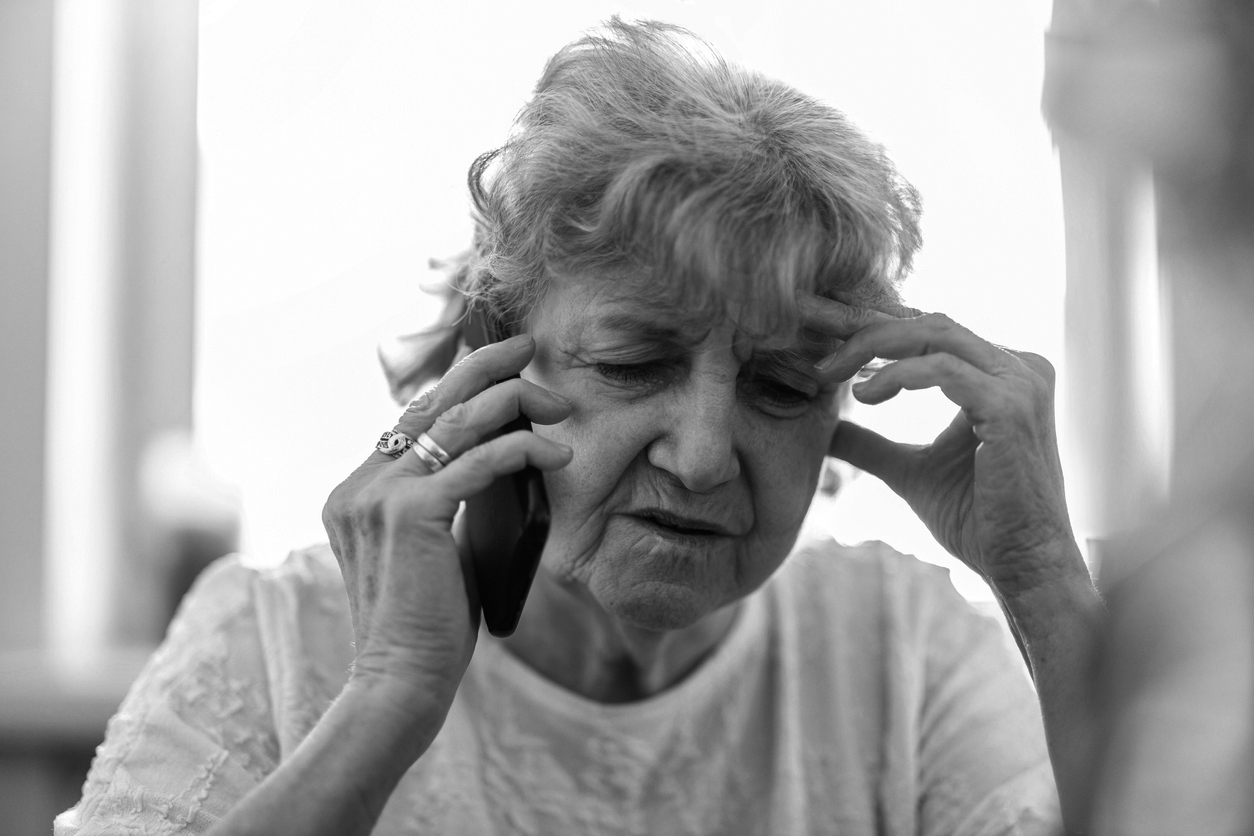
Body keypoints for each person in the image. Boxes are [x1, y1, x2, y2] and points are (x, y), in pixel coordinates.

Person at [57, 19, 1101, 836]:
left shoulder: (904, 646)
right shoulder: (274, 638)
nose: (699, 457)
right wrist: (388, 696)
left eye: (781, 384)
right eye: (632, 362)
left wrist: (1045, 583)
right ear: (488, 367)